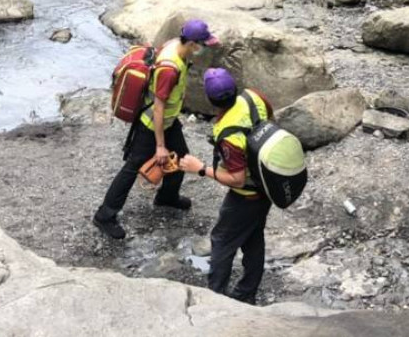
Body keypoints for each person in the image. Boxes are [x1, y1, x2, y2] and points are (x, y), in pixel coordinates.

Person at [93, 19, 220, 239]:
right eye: (203, 44)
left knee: (180, 157)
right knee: (132, 167)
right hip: (152, 124)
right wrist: (160, 146)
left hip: (169, 121)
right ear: (192, 44)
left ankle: (167, 197)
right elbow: (159, 107)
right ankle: (105, 215)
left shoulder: (175, 45)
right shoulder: (169, 69)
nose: (204, 49)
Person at [178, 68, 274, 304]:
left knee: (222, 241)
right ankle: (246, 292)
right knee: (253, 237)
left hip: (247, 195)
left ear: (210, 100)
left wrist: (200, 168)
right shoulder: (254, 97)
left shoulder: (228, 133)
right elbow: (271, 123)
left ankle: (215, 298)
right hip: (268, 183)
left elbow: (237, 178)